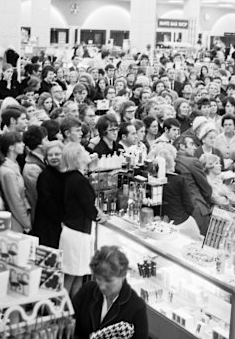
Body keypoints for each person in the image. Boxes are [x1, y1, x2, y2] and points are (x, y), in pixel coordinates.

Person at [61, 142, 107, 296]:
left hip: (72, 230)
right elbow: (88, 207)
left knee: (75, 275)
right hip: (78, 233)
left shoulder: (70, 177)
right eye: (83, 152)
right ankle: (65, 312)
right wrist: (100, 215)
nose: (88, 153)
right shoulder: (79, 181)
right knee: (73, 276)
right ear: (77, 157)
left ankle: (70, 311)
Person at [73, 246, 148, 339]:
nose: (102, 286)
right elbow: (71, 325)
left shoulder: (136, 307)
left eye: (108, 281)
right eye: (99, 279)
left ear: (123, 276)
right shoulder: (87, 290)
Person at [148, 143, 200, 239]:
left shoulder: (150, 180)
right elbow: (189, 205)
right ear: (171, 161)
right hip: (180, 223)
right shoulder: (179, 180)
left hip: (157, 223)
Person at [174, 135, 213, 235]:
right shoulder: (192, 162)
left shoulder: (171, 160)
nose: (195, 147)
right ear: (182, 146)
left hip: (179, 209)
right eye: (191, 144)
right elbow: (207, 190)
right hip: (197, 207)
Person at [32, 141, 65, 248]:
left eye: (57, 154)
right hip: (48, 225)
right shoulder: (44, 176)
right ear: (46, 158)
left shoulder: (66, 173)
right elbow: (46, 202)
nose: (53, 157)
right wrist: (62, 218)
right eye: (50, 155)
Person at [0, 132, 31, 233]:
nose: (23, 144)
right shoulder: (8, 172)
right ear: (11, 147)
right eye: (19, 142)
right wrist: (26, 222)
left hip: (19, 217)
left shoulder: (15, 165)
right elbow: (15, 201)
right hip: (15, 221)